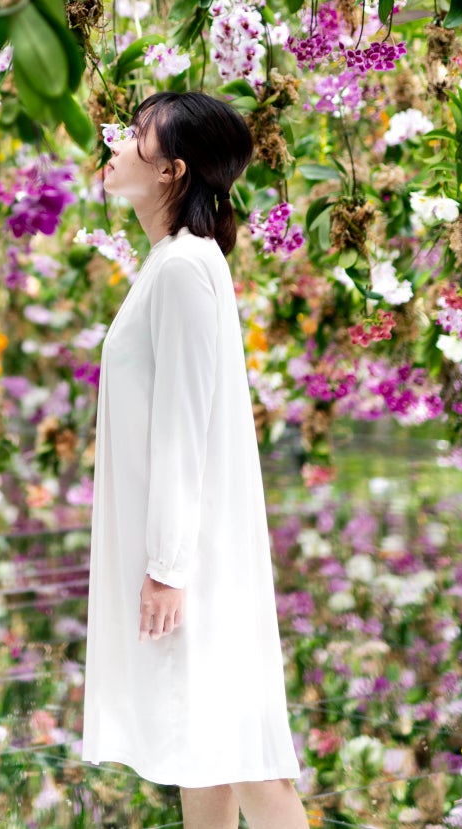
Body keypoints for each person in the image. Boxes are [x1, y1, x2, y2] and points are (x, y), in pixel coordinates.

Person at [82, 91, 307, 829]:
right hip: (188, 554)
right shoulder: (173, 263)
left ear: (173, 170)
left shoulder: (182, 268)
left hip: (196, 560)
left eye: (137, 134)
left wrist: (169, 567)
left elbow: (184, 427)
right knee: (199, 746)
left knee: (245, 755)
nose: (117, 141)